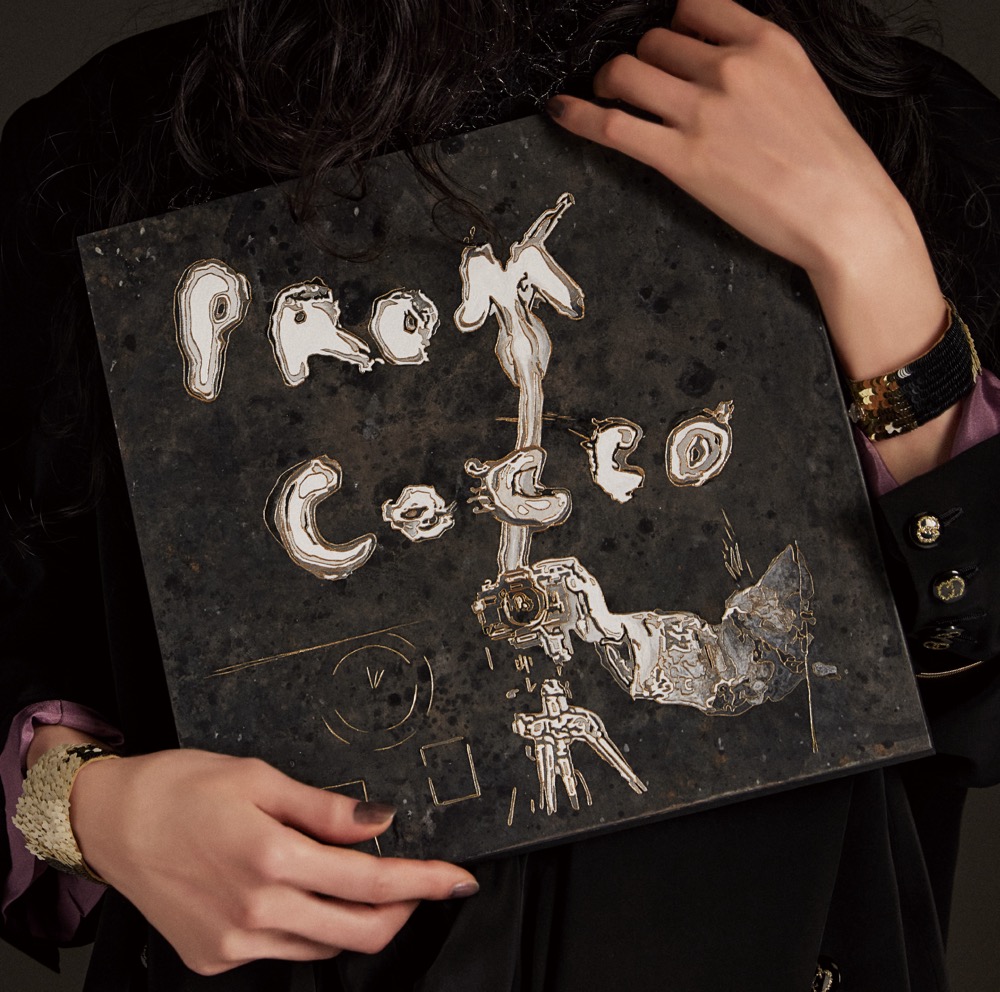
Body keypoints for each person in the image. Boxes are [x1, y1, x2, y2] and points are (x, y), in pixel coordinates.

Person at [2, 0, 999, 989]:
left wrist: (875, 262)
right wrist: (91, 810)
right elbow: (24, 632)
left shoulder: (892, 128)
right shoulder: (118, 141)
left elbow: (962, 699)